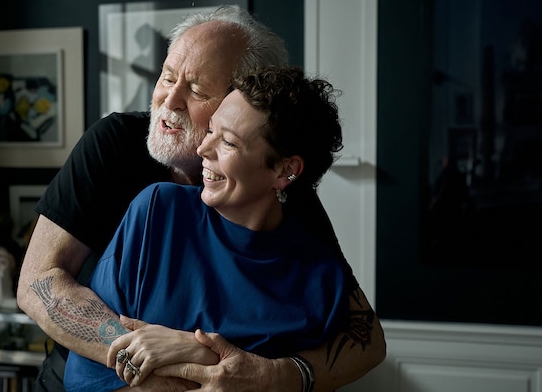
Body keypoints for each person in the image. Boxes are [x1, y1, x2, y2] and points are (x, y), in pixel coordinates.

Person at [17, 5, 386, 392]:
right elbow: (38, 281)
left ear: (244, 99)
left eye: (196, 89)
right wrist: (166, 359)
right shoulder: (124, 159)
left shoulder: (285, 206)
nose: (169, 100)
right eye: (167, 76)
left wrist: (272, 374)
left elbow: (366, 338)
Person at [53, 65, 351, 391]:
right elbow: (82, 375)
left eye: (229, 143)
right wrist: (214, 363)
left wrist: (192, 349)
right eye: (211, 131)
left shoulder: (322, 280)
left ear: (285, 169)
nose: (202, 150)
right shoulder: (156, 212)